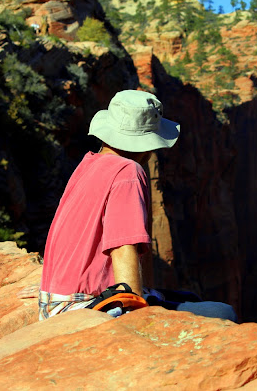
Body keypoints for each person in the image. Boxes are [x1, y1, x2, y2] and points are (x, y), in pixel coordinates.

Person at [31, 90, 237, 322]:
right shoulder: (128, 171)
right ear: (148, 142)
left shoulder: (88, 164)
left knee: (189, 298)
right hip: (86, 306)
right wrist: (136, 314)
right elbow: (123, 247)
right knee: (223, 313)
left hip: (56, 301)